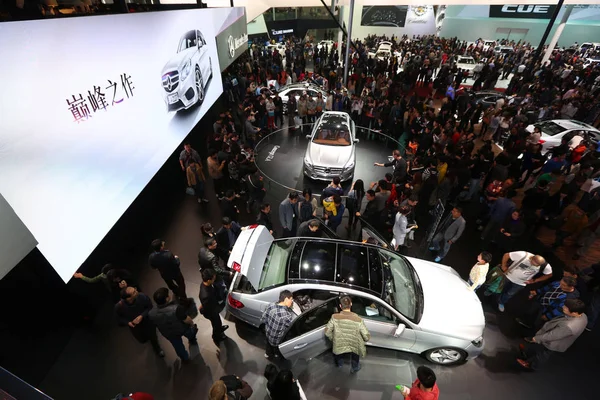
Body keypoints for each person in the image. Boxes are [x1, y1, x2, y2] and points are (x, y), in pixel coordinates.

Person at [517, 299, 588, 370]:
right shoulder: (583, 316)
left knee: (542, 355)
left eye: (566, 308)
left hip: (553, 343)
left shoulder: (569, 326)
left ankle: (531, 366)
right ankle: (526, 354)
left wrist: (537, 338)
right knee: (537, 348)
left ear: (575, 313)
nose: (563, 307)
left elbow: (552, 335)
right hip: (554, 337)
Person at [147, 287, 198, 362]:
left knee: (178, 347)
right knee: (190, 333)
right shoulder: (176, 309)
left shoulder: (151, 313)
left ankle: (185, 358)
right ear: (167, 299)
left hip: (169, 333)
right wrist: (192, 324)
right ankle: (192, 340)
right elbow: (187, 319)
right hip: (182, 329)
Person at [324, 295, 370, 373]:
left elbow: (327, 332)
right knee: (355, 353)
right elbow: (366, 337)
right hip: (354, 343)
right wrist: (367, 338)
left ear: (340, 306)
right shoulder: (358, 319)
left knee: (339, 352)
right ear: (351, 304)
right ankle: (355, 368)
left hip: (339, 342)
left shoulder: (334, 317)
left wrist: (334, 338)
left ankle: (340, 365)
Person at [115, 287, 164, 357]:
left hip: (148, 322)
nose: (137, 291)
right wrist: (128, 322)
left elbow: (150, 307)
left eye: (135, 290)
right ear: (128, 298)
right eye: (134, 292)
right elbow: (119, 318)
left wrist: (142, 316)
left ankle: (157, 349)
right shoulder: (119, 306)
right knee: (143, 340)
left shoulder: (142, 297)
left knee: (153, 337)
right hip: (136, 328)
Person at [262, 290, 295, 360]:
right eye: (291, 299)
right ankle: (277, 356)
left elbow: (264, 318)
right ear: (286, 299)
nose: (292, 301)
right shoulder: (286, 315)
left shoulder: (270, 305)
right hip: (276, 340)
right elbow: (290, 328)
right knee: (277, 349)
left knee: (268, 346)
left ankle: (267, 354)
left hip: (268, 333)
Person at [199, 269, 229, 344]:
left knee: (218, 322)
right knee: (216, 324)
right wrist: (220, 306)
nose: (214, 280)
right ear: (209, 280)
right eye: (213, 279)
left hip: (212, 309)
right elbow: (208, 308)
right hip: (211, 312)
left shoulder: (204, 284)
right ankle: (216, 337)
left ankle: (220, 329)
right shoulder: (206, 295)